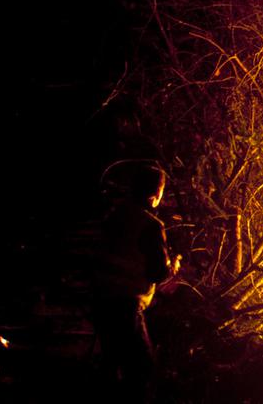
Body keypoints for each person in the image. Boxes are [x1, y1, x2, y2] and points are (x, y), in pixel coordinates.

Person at [93, 165, 179, 402]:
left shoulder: (115, 215)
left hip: (99, 300)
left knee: (111, 363)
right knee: (142, 368)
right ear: (156, 194)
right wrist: (173, 266)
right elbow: (157, 273)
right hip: (125, 306)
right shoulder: (151, 225)